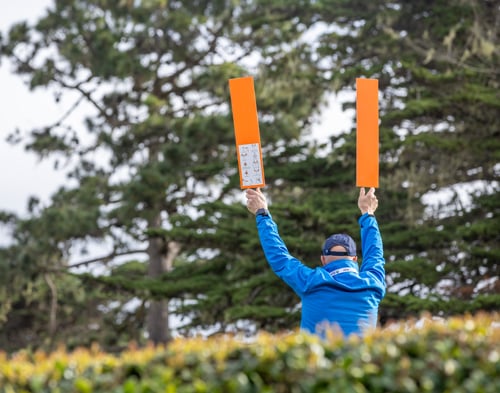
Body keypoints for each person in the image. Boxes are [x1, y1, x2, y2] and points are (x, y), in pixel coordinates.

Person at [245, 187, 385, 338]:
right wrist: (368, 212)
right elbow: (375, 253)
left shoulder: (311, 281)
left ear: (323, 260)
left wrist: (262, 213)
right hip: (363, 361)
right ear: (354, 259)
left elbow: (279, 257)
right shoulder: (373, 283)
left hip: (317, 360)